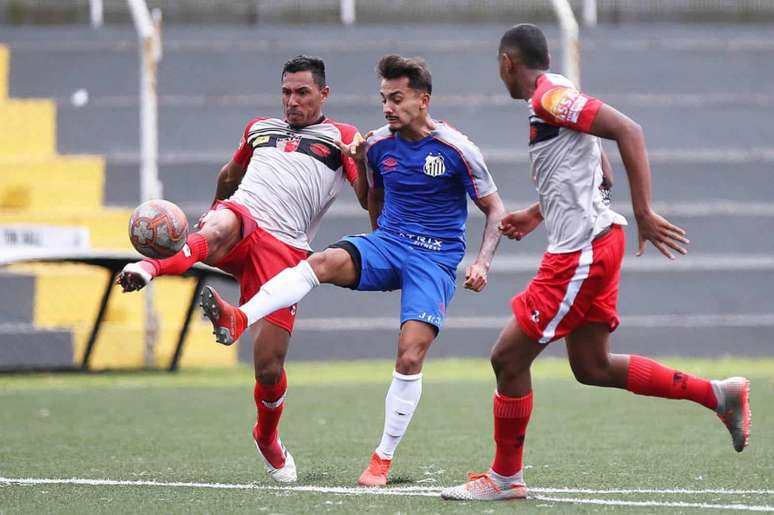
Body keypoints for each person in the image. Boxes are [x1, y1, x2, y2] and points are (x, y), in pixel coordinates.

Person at [441, 24, 751, 501]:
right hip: (593, 244)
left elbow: (628, 129)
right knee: (592, 366)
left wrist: (645, 211)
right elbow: (597, 169)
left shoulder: (547, 98)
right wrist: (538, 212)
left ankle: (504, 479)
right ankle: (719, 394)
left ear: (507, 62)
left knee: (506, 357)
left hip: (579, 253)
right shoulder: (559, 92)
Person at [199, 54, 507, 486]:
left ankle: (382, 458)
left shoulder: (458, 148)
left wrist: (482, 261)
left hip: (434, 259)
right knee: (318, 263)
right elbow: (372, 200)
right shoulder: (379, 144)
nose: (387, 108)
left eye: (396, 99)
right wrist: (366, 183)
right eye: (383, 99)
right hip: (390, 244)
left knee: (410, 354)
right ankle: (241, 315)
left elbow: (494, 210)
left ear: (423, 100)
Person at [116, 55, 367, 483]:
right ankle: (148, 267)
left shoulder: (342, 137)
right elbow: (231, 172)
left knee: (268, 369)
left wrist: (364, 160)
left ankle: (266, 435)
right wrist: (216, 210)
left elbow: (365, 197)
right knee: (222, 223)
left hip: (285, 251)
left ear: (324, 94)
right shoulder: (259, 129)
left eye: (302, 92)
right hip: (242, 221)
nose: (292, 101)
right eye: (286, 92)